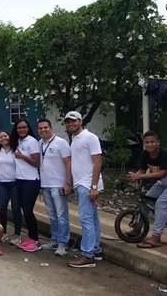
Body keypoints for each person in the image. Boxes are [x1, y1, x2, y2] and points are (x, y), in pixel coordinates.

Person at [65, 111, 104, 268]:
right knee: (93, 218)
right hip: (82, 183)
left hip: (88, 184)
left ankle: (87, 255)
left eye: (73, 121)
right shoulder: (75, 138)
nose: (71, 124)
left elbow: (98, 162)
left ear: (80, 121)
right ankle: (95, 249)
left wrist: (94, 187)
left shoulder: (90, 137)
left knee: (86, 219)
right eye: (68, 122)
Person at [38, 119, 72, 256]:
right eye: (40, 128)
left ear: (51, 128)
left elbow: (68, 163)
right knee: (52, 215)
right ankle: (55, 239)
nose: (43, 130)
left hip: (58, 185)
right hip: (45, 184)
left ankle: (63, 243)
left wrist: (67, 183)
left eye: (45, 127)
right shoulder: (40, 143)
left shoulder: (61, 143)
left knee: (61, 215)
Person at [128, 131, 167, 249]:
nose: (150, 144)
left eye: (152, 142)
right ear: (144, 144)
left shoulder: (164, 153)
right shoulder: (145, 154)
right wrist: (135, 176)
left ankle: (156, 237)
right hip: (163, 182)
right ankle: (137, 229)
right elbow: (142, 170)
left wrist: (140, 176)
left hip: (163, 179)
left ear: (158, 143)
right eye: (147, 142)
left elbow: (162, 172)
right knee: (145, 199)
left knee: (161, 204)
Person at [11, 119, 41, 252]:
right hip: (19, 180)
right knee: (23, 209)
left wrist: (22, 156)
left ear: (28, 128)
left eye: (24, 127)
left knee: (28, 211)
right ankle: (30, 238)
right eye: (19, 128)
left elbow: (36, 163)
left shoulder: (32, 141)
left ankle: (35, 240)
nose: (21, 130)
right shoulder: (17, 141)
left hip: (31, 180)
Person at [0, 131, 23, 246]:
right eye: (0, 137)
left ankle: (17, 234)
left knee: (16, 209)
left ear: (9, 137)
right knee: (1, 209)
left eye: (5, 136)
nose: (3, 138)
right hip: (2, 183)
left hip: (14, 183)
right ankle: (4, 231)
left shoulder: (16, 149)